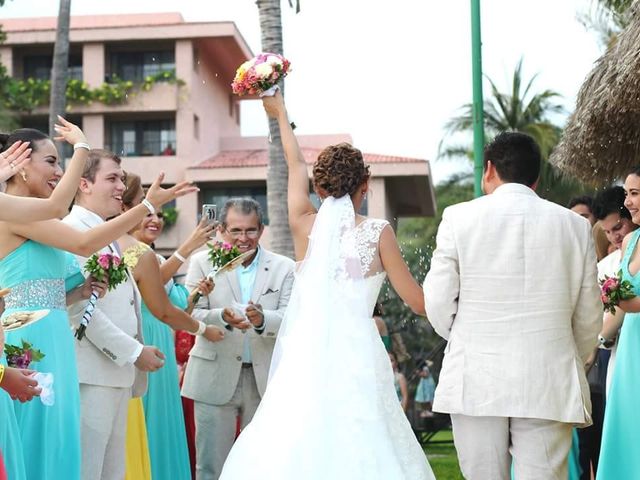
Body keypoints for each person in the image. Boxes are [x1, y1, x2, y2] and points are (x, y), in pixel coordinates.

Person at [218, 90, 434, 479]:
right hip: (359, 354)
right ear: (364, 185)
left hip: (306, 352)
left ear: (319, 188)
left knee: (299, 433)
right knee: (364, 434)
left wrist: (280, 112)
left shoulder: (304, 223)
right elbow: (418, 302)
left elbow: (294, 163)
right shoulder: (378, 232)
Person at [0, 121, 188, 480]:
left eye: (61, 162)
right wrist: (143, 202)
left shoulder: (32, 216)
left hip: (53, 336)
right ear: (22, 166)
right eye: (52, 162)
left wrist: (78, 292)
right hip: (28, 338)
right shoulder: (15, 212)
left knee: (58, 443)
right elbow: (83, 242)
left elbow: (52, 283)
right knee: (37, 438)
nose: (58, 171)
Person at [424, 132, 602, 480]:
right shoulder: (575, 227)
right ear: (536, 178)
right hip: (548, 376)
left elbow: (438, 301)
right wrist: (568, 353)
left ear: (489, 169)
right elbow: (588, 316)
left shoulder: (459, 218)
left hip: (475, 376)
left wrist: (465, 334)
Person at [62, 149, 198, 480]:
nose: (121, 186)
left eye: (121, 178)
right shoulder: (74, 230)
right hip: (90, 374)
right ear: (84, 183)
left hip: (114, 373)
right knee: (88, 470)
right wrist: (134, 351)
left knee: (111, 471)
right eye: (112, 178)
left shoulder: (102, 232)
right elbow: (81, 309)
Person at [182, 196, 295, 480]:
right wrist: (221, 316)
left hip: (265, 379)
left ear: (261, 229)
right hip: (213, 374)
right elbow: (188, 312)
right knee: (210, 465)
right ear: (222, 229)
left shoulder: (284, 267)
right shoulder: (201, 263)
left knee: (264, 464)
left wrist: (261, 320)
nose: (244, 238)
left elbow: (292, 317)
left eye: (251, 230)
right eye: (236, 230)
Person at [121, 171, 221, 480]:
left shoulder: (152, 254)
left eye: (158, 214)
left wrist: (194, 294)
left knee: (163, 424)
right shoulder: (124, 250)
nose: (154, 219)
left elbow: (172, 305)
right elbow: (151, 295)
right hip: (143, 339)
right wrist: (188, 246)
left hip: (161, 340)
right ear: (126, 210)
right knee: (146, 426)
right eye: (145, 208)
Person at [597, 168, 640, 478]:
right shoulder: (630, 242)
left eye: (635, 194)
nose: (628, 202)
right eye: (627, 194)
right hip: (630, 351)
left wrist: (626, 301)